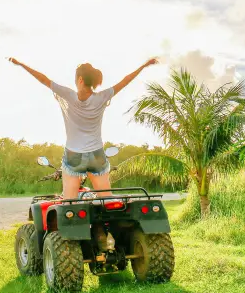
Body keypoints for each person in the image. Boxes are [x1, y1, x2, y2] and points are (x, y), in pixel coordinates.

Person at [8, 57, 159, 201]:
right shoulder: (102, 97)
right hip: (96, 154)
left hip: (74, 155)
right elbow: (125, 81)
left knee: (70, 203)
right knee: (107, 199)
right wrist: (144, 65)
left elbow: (43, 79)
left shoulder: (68, 95)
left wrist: (21, 64)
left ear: (80, 80)